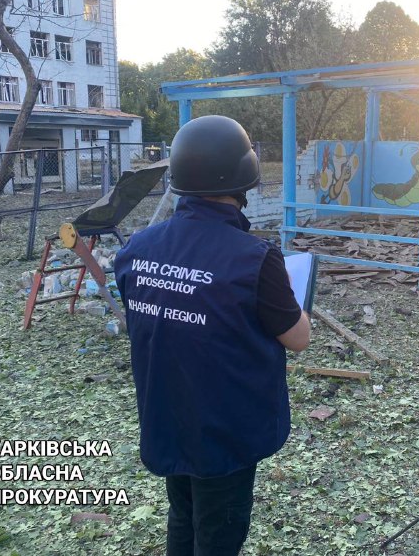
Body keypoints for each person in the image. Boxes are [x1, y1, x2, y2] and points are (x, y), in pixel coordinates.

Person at [114, 115, 311, 556]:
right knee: (219, 534)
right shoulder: (255, 259)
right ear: (244, 178)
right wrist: (300, 306)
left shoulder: (136, 250)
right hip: (226, 431)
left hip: (167, 417)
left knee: (182, 518)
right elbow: (298, 338)